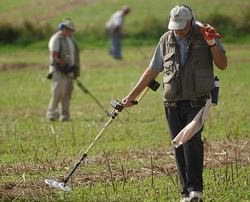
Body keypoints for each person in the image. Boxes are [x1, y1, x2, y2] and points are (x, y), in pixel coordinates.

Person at [122, 5, 227, 202]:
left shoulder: (205, 34)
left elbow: (223, 64)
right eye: (174, 26)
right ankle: (185, 192)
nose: (177, 31)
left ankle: (196, 189)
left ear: (190, 21)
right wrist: (131, 96)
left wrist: (211, 43)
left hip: (197, 101)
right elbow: (152, 70)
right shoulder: (166, 39)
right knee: (178, 144)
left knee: (192, 142)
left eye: (181, 26)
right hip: (172, 102)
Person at [46, 18, 80, 122]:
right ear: (62, 28)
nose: (70, 32)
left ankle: (65, 116)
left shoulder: (70, 39)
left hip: (69, 71)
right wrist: (64, 66)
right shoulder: (56, 39)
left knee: (67, 94)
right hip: (59, 71)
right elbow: (54, 55)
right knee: (58, 93)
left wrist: (73, 68)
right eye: (68, 29)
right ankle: (51, 114)